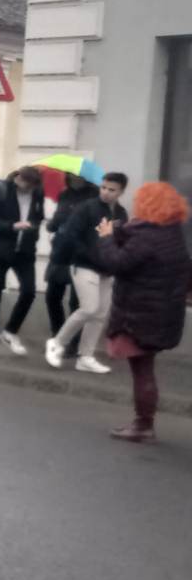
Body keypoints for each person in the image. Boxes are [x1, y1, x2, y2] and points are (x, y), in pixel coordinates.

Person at [90, 182, 192, 443]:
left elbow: (117, 263)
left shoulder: (147, 236)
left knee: (142, 370)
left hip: (140, 316)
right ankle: (143, 423)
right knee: (145, 367)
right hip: (162, 315)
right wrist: (118, 232)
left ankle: (143, 425)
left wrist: (105, 238)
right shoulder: (171, 233)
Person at [47, 173, 128, 373]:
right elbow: (71, 236)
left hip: (107, 269)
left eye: (112, 189)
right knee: (90, 308)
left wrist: (116, 259)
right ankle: (57, 342)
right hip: (84, 265)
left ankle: (86, 357)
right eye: (104, 188)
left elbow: (122, 239)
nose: (106, 193)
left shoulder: (121, 213)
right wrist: (91, 253)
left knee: (100, 314)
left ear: (121, 192)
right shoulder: (87, 208)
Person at [0, 166, 45, 359]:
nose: (29, 189)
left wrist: (34, 229)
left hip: (24, 251)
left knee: (29, 291)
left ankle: (10, 331)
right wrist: (11, 226)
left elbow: (38, 216)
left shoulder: (37, 193)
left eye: (33, 186)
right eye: (26, 184)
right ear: (18, 178)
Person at [43, 178, 97, 333]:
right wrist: (53, 223)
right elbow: (54, 222)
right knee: (52, 296)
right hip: (61, 250)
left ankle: (73, 340)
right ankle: (57, 333)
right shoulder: (64, 194)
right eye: (71, 175)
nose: (74, 178)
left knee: (77, 302)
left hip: (81, 253)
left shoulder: (94, 195)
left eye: (77, 175)